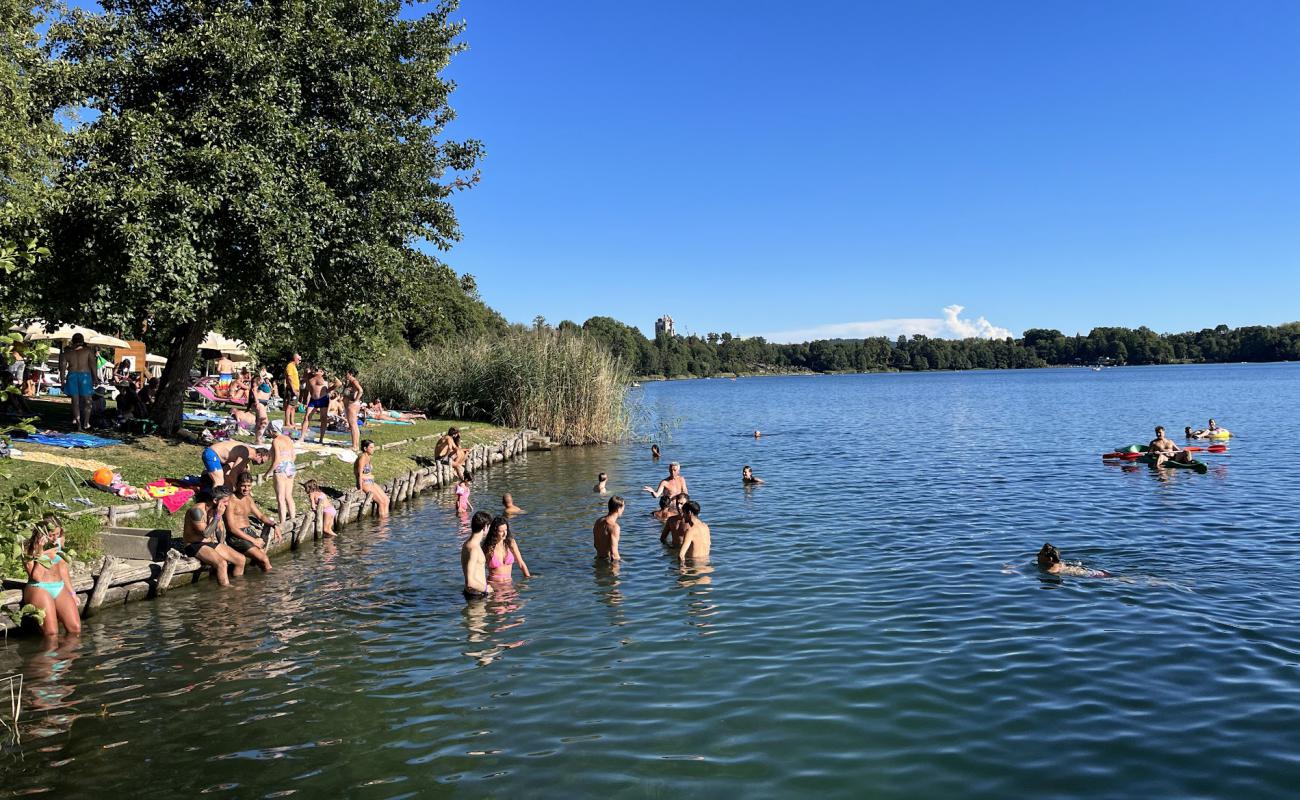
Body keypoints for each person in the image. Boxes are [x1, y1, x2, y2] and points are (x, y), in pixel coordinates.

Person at [22, 517, 81, 637]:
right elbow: (36, 577)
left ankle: (68, 655)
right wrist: (41, 552)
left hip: (59, 586)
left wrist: (72, 593)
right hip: (39, 588)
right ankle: (50, 655)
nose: (55, 538)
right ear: (42, 534)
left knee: (75, 629)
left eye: (58, 534)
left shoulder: (58, 543)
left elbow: (63, 570)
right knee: (52, 633)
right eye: (52, 535)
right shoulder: (29, 549)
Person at [181, 487, 246, 586]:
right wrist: (218, 516)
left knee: (240, 559)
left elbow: (219, 530)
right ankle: (225, 593)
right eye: (225, 502)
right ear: (215, 500)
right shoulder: (197, 511)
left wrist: (222, 545)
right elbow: (205, 534)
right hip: (194, 545)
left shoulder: (215, 509)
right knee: (222, 563)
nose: (227, 504)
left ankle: (238, 586)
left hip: (209, 543)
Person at [223, 473, 278, 572]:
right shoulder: (231, 500)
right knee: (264, 559)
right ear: (237, 484)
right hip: (236, 536)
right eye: (243, 485)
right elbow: (231, 528)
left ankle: (258, 582)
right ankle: (271, 585)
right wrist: (254, 541)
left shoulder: (248, 498)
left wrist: (274, 525)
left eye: (249, 486)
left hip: (248, 532)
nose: (246, 489)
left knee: (262, 558)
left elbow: (260, 516)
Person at [59, 332, 97, 430]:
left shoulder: (66, 353)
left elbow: (62, 369)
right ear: (82, 341)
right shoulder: (88, 351)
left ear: (72, 341)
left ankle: (79, 424)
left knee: (75, 401)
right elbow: (93, 365)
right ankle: (86, 423)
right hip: (85, 375)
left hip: (72, 375)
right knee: (88, 401)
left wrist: (62, 382)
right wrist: (95, 378)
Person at [201, 439, 268, 490]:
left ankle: (206, 478)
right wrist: (237, 489)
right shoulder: (246, 452)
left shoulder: (248, 456)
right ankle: (214, 502)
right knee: (219, 481)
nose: (260, 464)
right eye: (261, 461)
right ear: (259, 455)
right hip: (212, 454)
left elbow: (239, 473)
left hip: (218, 458)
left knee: (242, 470)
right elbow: (233, 473)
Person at [483, 516, 531, 582]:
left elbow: (521, 564)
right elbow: (480, 569)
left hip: (509, 584)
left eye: (506, 530)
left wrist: (528, 579)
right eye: (501, 531)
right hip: (494, 585)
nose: (505, 533)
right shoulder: (488, 547)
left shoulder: (510, 543)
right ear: (494, 531)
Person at [264, 431, 297, 523]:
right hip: (291, 465)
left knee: (281, 498)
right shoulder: (288, 439)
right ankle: (293, 519)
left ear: (272, 431)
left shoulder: (276, 441)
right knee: (289, 496)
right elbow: (294, 456)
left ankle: (282, 523)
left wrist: (268, 473)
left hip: (281, 467)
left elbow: (277, 459)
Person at [461, 510, 494, 599]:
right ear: (485, 528)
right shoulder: (474, 549)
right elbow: (470, 582)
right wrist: (487, 589)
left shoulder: (466, 544)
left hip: (472, 594)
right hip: (476, 595)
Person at [355, 439, 390, 518]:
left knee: (386, 500)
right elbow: (359, 474)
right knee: (381, 502)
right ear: (365, 448)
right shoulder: (362, 458)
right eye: (371, 447)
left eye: (373, 447)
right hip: (365, 483)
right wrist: (360, 488)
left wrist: (370, 476)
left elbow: (368, 472)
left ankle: (386, 521)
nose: (373, 449)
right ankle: (382, 526)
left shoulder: (368, 457)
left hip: (371, 482)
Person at [1036, 543, 1111, 578]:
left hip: (1094, 576)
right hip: (1097, 572)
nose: (1037, 555)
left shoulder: (1051, 571)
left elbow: (1053, 572)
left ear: (1050, 559)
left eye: (1040, 553)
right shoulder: (1060, 564)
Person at [298, 368, 329, 444]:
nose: (315, 370)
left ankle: (321, 439)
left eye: (317, 370)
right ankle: (302, 437)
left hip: (323, 399)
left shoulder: (324, 379)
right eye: (315, 369)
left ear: (322, 372)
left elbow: (332, 387)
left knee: (323, 418)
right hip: (313, 399)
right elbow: (305, 381)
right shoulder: (310, 376)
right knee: (306, 417)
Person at [593, 495, 624, 561]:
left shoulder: (598, 521)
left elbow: (595, 545)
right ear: (618, 509)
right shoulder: (614, 527)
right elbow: (614, 554)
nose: (623, 510)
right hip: (608, 563)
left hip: (598, 559)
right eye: (623, 507)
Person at [342, 369, 363, 451]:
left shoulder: (354, 381)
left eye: (346, 374)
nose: (345, 375)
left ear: (350, 374)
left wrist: (355, 400)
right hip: (350, 405)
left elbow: (360, 390)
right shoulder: (349, 382)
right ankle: (355, 444)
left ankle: (355, 446)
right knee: (352, 425)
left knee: (353, 425)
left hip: (352, 405)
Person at [249, 370, 272, 444]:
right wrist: (257, 402)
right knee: (264, 421)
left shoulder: (266, 383)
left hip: (264, 403)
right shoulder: (257, 381)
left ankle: (258, 439)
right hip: (260, 402)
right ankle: (259, 438)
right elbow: (254, 390)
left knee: (259, 421)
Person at [283, 353, 301, 429]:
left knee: (293, 406)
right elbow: (289, 379)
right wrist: (293, 389)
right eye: (299, 359)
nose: (300, 361)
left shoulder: (294, 366)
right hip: (291, 389)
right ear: (295, 358)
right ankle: (287, 423)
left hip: (295, 389)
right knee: (289, 406)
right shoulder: (290, 366)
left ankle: (292, 422)